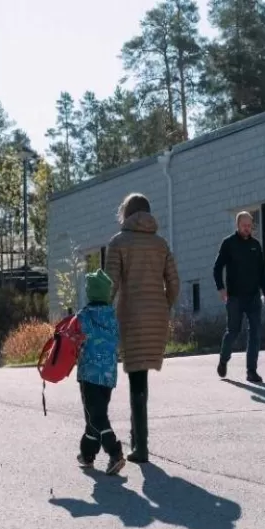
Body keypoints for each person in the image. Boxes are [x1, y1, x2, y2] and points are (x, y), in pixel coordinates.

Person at [105, 192, 180, 464]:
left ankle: (141, 446)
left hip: (132, 315)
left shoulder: (118, 242)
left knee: (136, 376)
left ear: (126, 213)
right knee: (142, 376)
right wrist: (165, 305)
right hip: (157, 314)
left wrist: (100, 311)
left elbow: (110, 283)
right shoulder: (161, 244)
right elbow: (174, 282)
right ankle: (138, 438)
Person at [213, 211, 265, 383]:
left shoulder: (256, 245)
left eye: (250, 226)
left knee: (255, 332)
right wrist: (221, 288)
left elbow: (261, 272)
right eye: (244, 226)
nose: (247, 229)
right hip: (234, 297)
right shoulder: (229, 243)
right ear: (238, 225)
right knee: (233, 331)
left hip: (253, 296)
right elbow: (217, 268)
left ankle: (251, 371)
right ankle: (224, 359)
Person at [75, 269, 126, 476]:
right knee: (95, 415)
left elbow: (75, 343)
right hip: (108, 376)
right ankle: (87, 455)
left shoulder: (83, 316)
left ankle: (115, 452)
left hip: (89, 374)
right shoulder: (113, 317)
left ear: (90, 293)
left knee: (96, 416)